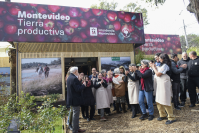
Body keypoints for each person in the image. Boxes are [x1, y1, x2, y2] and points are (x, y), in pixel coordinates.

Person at [150, 53, 176, 125]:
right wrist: (155, 67)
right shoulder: (162, 65)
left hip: (164, 84)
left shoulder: (165, 65)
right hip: (160, 84)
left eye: (160, 58)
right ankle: (162, 114)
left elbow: (158, 74)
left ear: (163, 58)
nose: (158, 59)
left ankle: (171, 117)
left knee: (165, 100)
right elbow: (158, 71)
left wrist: (153, 67)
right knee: (158, 100)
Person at [67, 67, 86, 133]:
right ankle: (75, 130)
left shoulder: (70, 77)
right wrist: (83, 85)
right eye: (77, 71)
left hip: (72, 99)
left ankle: (77, 128)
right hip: (75, 100)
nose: (78, 72)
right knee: (76, 116)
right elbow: (77, 89)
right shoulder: (74, 78)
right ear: (75, 71)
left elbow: (74, 87)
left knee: (74, 115)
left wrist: (79, 81)